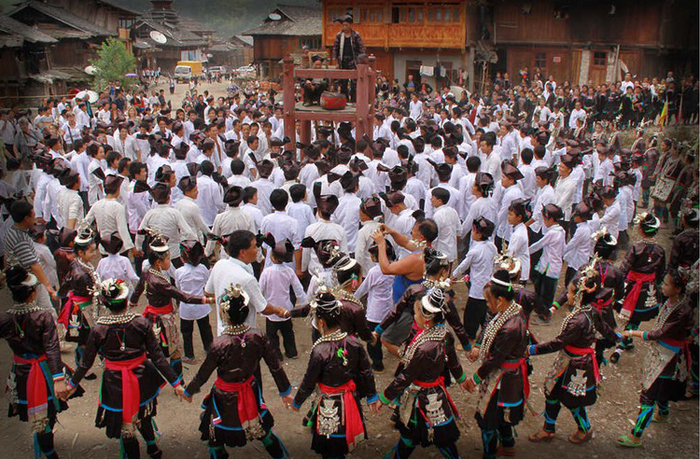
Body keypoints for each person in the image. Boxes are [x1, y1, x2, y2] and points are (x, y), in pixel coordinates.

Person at [63, 278, 185, 459]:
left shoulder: (99, 329)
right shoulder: (141, 323)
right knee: (144, 413)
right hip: (142, 377)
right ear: (126, 301)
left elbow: (86, 363)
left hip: (114, 382)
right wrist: (176, 383)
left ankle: (142, 451)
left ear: (105, 303)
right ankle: (153, 449)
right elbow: (158, 357)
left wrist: (72, 384)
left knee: (125, 426)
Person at [184, 284, 293, 459]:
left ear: (224, 314)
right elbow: (275, 367)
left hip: (223, 397)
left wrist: (189, 391)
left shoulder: (219, 344)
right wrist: (285, 391)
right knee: (264, 432)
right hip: (250, 390)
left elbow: (204, 374)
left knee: (216, 438)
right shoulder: (258, 336)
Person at [527, 259, 620, 445]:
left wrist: (531, 349)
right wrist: (617, 338)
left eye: (569, 291)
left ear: (578, 295)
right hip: (571, 360)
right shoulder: (591, 311)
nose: (567, 294)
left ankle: (584, 428)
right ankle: (549, 428)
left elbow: (558, 343)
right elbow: (606, 331)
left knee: (572, 399)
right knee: (552, 392)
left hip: (576, 364)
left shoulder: (578, 320)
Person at [1, 266, 83, 459]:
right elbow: (52, 348)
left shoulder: (5, 318)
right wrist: (58, 378)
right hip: (44, 371)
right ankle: (49, 450)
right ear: (33, 293)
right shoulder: (42, 316)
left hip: (21, 371)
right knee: (47, 413)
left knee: (35, 411)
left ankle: (46, 445)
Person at [291, 288, 380, 459]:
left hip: (329, 404)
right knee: (343, 440)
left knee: (330, 447)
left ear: (321, 322)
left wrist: (297, 402)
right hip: (350, 400)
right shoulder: (354, 343)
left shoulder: (319, 350)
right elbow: (366, 371)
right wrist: (371, 395)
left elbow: (309, 382)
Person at [380, 288, 465, 459]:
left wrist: (384, 397)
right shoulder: (444, 334)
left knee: (422, 435)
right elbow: (454, 363)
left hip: (420, 396)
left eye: (416, 313)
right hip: (436, 395)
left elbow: (406, 376)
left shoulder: (425, 347)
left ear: (427, 319)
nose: (414, 316)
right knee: (431, 436)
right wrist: (462, 379)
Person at [617, 269, 693, 447]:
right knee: (661, 386)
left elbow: (659, 333)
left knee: (649, 394)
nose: (661, 286)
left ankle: (636, 436)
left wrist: (633, 332)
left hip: (668, 357)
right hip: (666, 354)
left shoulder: (680, 310)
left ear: (678, 289)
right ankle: (664, 413)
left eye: (666, 284)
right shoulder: (676, 302)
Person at [129, 228, 214, 378]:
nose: (170, 261)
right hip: (164, 319)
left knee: (154, 347)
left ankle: (156, 376)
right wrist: (206, 299)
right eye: (168, 259)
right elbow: (183, 296)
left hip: (152, 316)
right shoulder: (161, 282)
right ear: (158, 262)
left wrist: (132, 303)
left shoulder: (147, 273)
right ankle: (177, 381)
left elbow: (137, 290)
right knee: (174, 350)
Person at [463, 269, 528, 459]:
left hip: (503, 378)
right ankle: (507, 444)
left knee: (488, 418)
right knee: (501, 414)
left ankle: (490, 454)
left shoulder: (510, 327)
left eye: (488, 300)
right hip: (505, 375)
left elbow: (496, 359)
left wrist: (475, 379)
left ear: (499, 300)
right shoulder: (513, 310)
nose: (487, 304)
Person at [611, 212, 666, 364]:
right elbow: (661, 272)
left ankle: (620, 346)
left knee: (631, 315)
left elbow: (623, 268)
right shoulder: (660, 250)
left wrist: (618, 284)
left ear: (640, 230)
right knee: (637, 316)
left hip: (632, 286)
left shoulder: (636, 248)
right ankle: (627, 341)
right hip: (648, 288)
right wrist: (656, 286)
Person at [57, 223, 99, 373]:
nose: (94, 254)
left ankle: (83, 365)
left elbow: (66, 283)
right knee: (84, 339)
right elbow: (91, 292)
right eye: (91, 251)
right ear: (80, 253)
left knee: (85, 338)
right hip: (82, 310)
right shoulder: (80, 274)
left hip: (81, 306)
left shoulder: (78, 265)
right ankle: (83, 368)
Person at [260, 234, 307, 361]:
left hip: (271, 309)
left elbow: (260, 289)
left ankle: (276, 355)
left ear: (272, 257)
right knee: (288, 332)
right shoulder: (289, 271)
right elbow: (298, 289)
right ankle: (291, 352)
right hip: (286, 308)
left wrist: (260, 305)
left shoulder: (266, 272)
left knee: (271, 335)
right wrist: (304, 303)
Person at [452, 217, 497, 346]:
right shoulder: (492, 247)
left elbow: (463, 266)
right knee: (485, 313)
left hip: (477, 289)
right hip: (488, 284)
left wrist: (453, 278)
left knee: (471, 316)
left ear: (478, 233)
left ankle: (470, 339)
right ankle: (486, 336)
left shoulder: (475, 251)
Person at [355, 241, 395, 373]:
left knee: (373, 339)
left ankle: (378, 364)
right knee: (389, 334)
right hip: (389, 307)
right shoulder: (395, 267)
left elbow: (363, 290)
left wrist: (352, 298)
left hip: (375, 311)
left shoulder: (374, 271)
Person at [175, 240, 213, 365]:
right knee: (205, 328)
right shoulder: (202, 268)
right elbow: (207, 284)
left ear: (183, 258)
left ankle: (189, 355)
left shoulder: (179, 272)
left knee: (186, 332)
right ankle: (210, 349)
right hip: (202, 305)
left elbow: (178, 288)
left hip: (186, 308)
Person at [331, 14, 366, 101]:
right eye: (343, 25)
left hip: (353, 60)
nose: (344, 27)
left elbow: (361, 48)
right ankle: (344, 100)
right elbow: (335, 48)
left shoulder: (356, 35)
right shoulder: (339, 35)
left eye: (346, 25)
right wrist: (335, 59)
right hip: (343, 60)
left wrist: (362, 59)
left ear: (350, 25)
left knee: (354, 82)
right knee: (343, 81)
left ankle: (354, 100)